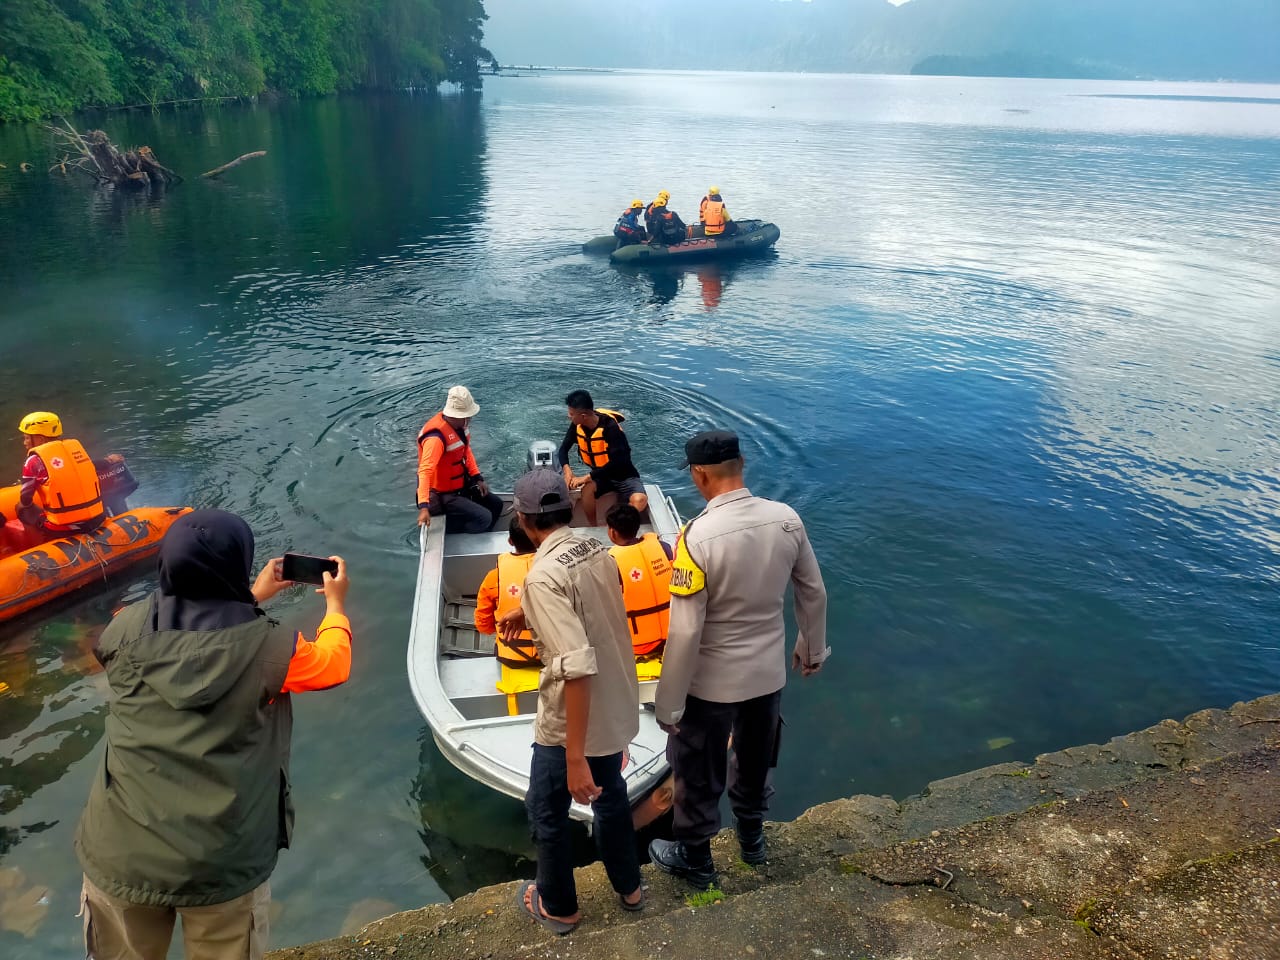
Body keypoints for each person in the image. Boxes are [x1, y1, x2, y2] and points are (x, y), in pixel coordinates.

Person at [74, 509, 353, 960]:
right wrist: (336, 605)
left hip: (121, 853)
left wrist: (251, 596)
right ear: (236, 568)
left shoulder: (123, 627)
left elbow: (191, 638)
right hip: (220, 861)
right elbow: (333, 664)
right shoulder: (275, 648)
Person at [648, 430, 828, 888]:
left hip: (712, 684)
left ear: (699, 474)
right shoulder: (786, 519)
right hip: (767, 675)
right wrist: (811, 647)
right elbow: (813, 592)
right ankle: (753, 844)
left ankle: (698, 862)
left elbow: (686, 629)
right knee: (753, 759)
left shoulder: (696, 537)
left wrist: (669, 706)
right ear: (742, 463)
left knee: (698, 769)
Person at [512, 469, 643, 934]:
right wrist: (525, 608)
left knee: (545, 810)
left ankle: (560, 906)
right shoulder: (595, 548)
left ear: (526, 521)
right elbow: (587, 605)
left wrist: (572, 757)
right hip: (613, 707)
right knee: (611, 799)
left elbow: (577, 665)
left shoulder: (542, 577)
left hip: (570, 722)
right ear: (567, 511)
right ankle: (630, 888)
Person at [415, 385, 502, 534]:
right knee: (484, 518)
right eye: (468, 416)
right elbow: (425, 471)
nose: (470, 419)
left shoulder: (460, 427)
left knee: (497, 505)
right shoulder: (436, 439)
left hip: (460, 486)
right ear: (458, 416)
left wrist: (477, 477)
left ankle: (481, 531)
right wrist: (424, 506)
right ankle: (453, 529)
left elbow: (466, 451)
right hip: (444, 494)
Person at [558, 389, 648, 525]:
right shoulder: (577, 425)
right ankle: (594, 527)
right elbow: (563, 450)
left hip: (625, 476)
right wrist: (567, 471)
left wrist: (587, 477)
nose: (568, 416)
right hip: (603, 476)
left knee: (640, 500)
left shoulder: (610, 428)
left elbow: (618, 462)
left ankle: (618, 525)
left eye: (571, 414)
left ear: (583, 416)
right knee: (587, 491)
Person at [14, 411, 105, 537]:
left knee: (21, 507)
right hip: (98, 518)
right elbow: (91, 466)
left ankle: (40, 546)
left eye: (26, 438)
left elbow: (25, 499)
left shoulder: (33, 461)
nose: (25, 443)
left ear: (40, 439)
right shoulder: (74, 450)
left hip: (65, 527)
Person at [605, 503, 673, 661]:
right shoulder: (663, 548)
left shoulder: (610, 562)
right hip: (673, 637)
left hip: (638, 645)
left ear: (612, 532)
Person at [474, 517, 541, 668]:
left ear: (510, 541)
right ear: (539, 540)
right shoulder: (552, 569)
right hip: (549, 655)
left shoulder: (493, 577)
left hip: (509, 657)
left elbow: (483, 625)